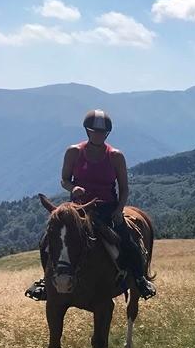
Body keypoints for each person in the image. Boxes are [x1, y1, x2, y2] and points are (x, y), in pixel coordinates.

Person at [25, 109, 156, 300]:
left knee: (128, 241)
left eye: (102, 132)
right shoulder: (74, 152)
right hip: (78, 209)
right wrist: (73, 187)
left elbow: (124, 188)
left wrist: (119, 210)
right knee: (48, 239)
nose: (98, 135)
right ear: (87, 131)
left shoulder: (115, 156)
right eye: (94, 131)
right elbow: (64, 179)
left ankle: (139, 278)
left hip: (107, 208)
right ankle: (47, 281)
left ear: (107, 134)